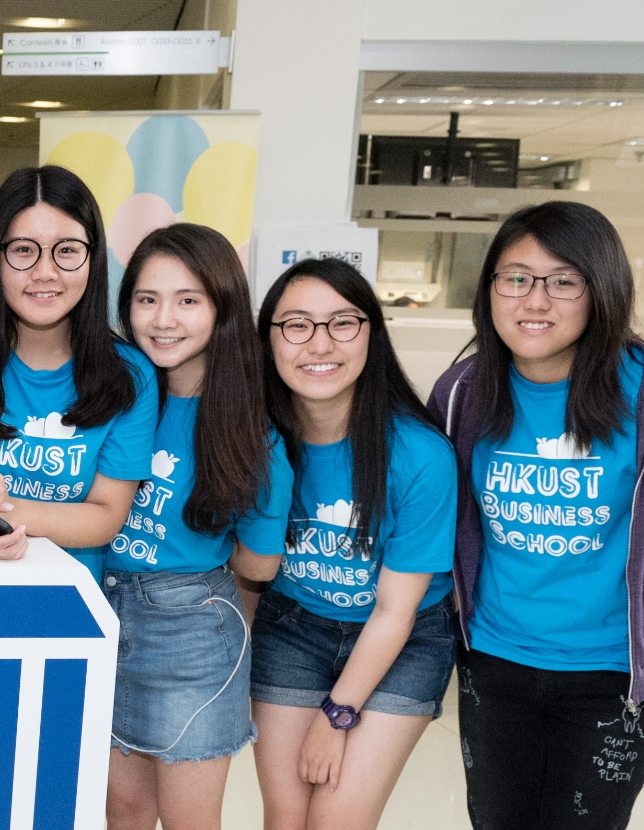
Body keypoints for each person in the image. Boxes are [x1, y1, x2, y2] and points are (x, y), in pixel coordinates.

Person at [428, 201, 644, 830]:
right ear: (489, 289)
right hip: (494, 658)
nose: (533, 301)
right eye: (514, 278)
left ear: (602, 291)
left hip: (612, 670)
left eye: (562, 281)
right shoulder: (462, 393)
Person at [250, 258, 458, 830]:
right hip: (293, 627)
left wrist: (336, 714)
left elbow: (396, 610)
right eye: (296, 324)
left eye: (343, 322)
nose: (320, 343)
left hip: (403, 641)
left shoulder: (420, 455)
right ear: (269, 340)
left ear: (372, 334)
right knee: (287, 818)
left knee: (336, 820)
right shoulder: (257, 437)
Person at [104, 224, 293, 830]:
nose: (164, 319)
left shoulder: (249, 430)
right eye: (147, 298)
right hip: (98, 616)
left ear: (222, 309)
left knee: (190, 820)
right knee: (122, 812)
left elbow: (259, 566)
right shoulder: (113, 394)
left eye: (188, 300)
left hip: (192, 636)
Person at [0, 165, 158, 583]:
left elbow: (106, 517)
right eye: (23, 250)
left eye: (66, 250)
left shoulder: (129, 374)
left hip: (67, 607)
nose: (45, 272)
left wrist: (0, 507)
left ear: (93, 257)